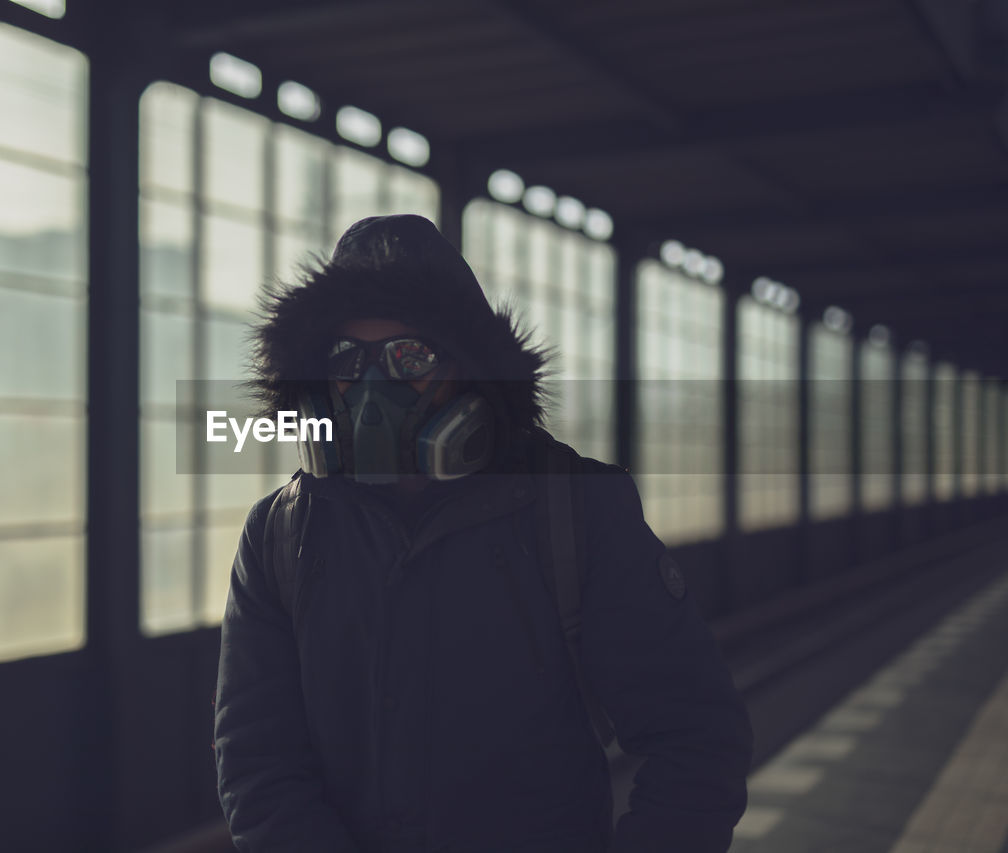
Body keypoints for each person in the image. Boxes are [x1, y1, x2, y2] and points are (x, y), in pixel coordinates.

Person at [213, 214, 752, 852]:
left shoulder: (575, 510)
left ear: (470, 369)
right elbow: (258, 763)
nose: (372, 388)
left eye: (410, 356)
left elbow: (694, 740)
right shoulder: (281, 533)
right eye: (346, 359)